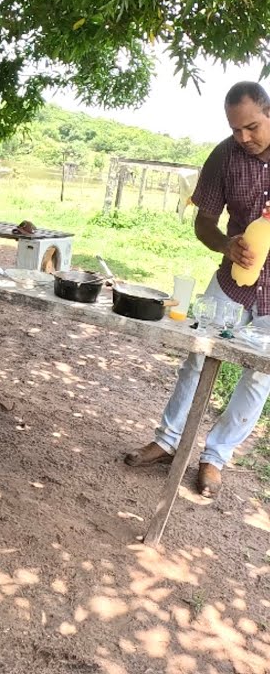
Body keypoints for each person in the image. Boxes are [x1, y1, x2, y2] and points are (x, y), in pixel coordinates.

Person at [125, 81, 270, 498]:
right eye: (235, 129)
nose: (243, 138)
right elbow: (203, 221)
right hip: (232, 277)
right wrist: (226, 243)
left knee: (259, 375)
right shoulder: (225, 154)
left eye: (252, 127)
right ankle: (169, 441)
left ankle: (214, 458)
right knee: (198, 352)